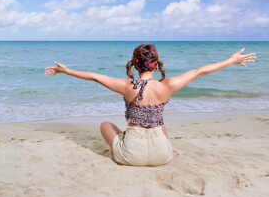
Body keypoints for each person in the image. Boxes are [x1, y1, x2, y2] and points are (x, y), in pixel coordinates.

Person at [45, 44, 256, 167]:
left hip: (130, 156)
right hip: (162, 156)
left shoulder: (127, 86)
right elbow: (200, 71)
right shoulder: (168, 85)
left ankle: (127, 147)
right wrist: (231, 60)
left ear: (134, 64)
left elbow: (94, 77)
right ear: (156, 64)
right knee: (159, 123)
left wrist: (67, 71)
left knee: (105, 125)